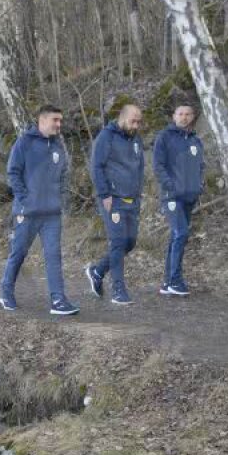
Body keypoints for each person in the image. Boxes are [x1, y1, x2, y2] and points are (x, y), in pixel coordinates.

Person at [0, 105, 80, 316]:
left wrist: (61, 199)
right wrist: (25, 199)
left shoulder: (57, 146)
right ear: (42, 120)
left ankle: (58, 300)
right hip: (27, 213)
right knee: (18, 253)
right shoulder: (24, 142)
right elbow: (13, 173)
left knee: (54, 256)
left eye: (60, 120)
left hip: (52, 214)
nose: (59, 124)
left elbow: (63, 175)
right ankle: (6, 292)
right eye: (56, 120)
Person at [85, 103, 146, 305]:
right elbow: (96, 166)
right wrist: (104, 193)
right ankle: (118, 290)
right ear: (122, 118)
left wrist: (138, 193)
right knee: (118, 242)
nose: (136, 125)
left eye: (139, 121)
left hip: (132, 199)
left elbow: (139, 167)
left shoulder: (136, 139)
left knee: (129, 243)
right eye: (133, 121)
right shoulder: (106, 136)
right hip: (113, 198)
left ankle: (97, 270)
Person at [152, 104, 205, 296]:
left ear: (192, 117)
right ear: (174, 116)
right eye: (180, 114)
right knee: (181, 233)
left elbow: (200, 166)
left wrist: (200, 186)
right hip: (172, 196)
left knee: (176, 236)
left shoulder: (196, 141)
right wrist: (170, 186)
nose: (183, 117)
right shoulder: (164, 137)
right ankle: (175, 280)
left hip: (190, 196)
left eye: (187, 114)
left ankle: (167, 283)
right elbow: (158, 166)